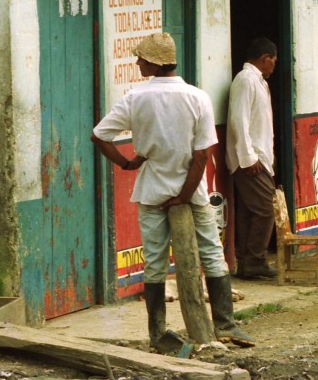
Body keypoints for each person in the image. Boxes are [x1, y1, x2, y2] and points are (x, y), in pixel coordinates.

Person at [91, 33, 254, 350]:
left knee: (154, 262)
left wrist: (127, 164)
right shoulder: (197, 97)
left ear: (154, 63)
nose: (138, 63)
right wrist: (184, 194)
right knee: (211, 253)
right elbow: (201, 155)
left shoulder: (135, 98)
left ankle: (158, 333)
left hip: (152, 190)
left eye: (141, 59)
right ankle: (226, 324)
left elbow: (99, 136)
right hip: (193, 193)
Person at [227, 37, 279, 280]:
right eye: (273, 61)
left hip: (259, 157)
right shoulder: (246, 80)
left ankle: (248, 263)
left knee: (251, 211)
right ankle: (255, 259)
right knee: (267, 209)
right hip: (250, 159)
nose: (274, 66)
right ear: (265, 58)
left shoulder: (258, 81)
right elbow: (239, 119)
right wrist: (248, 156)